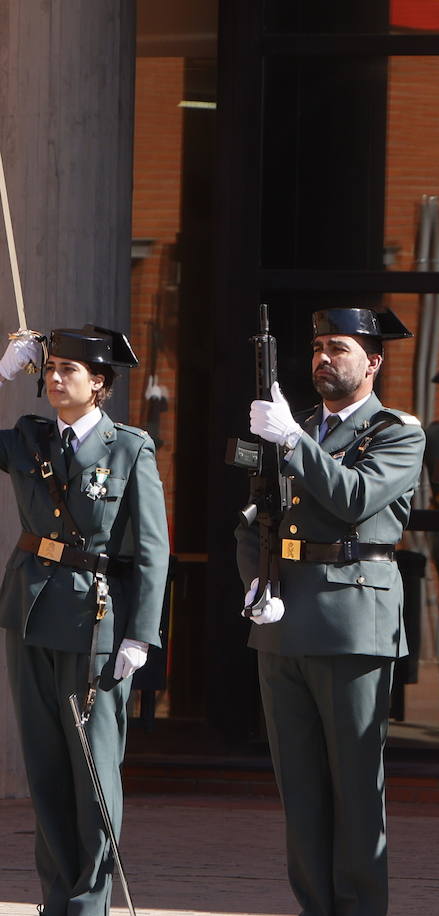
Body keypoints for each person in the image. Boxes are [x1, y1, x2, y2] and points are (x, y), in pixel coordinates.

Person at [237, 306, 424, 916]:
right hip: (283, 620)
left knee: (354, 788)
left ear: (372, 362)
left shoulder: (399, 431)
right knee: (300, 790)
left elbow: (355, 497)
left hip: (351, 620)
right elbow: (252, 517)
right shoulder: (294, 426)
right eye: (317, 346)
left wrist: (292, 439)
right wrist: (252, 584)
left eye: (337, 348)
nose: (322, 357)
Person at [0, 326, 169, 915]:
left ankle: (89, 900)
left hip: (96, 618)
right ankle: (57, 898)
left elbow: (152, 548)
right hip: (31, 610)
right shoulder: (28, 438)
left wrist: (142, 634)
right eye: (46, 367)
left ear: (99, 384)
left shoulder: (129, 447)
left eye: (67, 369)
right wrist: (1, 373)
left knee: (92, 768)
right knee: (45, 765)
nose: (53, 377)